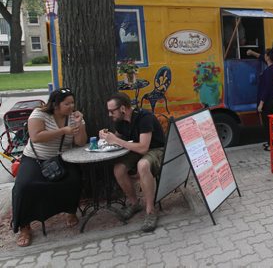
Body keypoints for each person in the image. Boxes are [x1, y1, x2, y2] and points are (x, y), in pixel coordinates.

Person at [11, 88, 87, 247]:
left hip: (61, 158)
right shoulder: (39, 114)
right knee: (24, 185)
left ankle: (70, 211)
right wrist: (63, 131)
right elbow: (36, 137)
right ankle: (24, 226)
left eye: (73, 102)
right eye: (67, 103)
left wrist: (80, 124)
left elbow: (80, 142)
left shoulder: (74, 117)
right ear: (56, 104)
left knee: (74, 179)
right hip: (35, 158)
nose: (71, 106)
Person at [99, 92, 165, 232]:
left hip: (156, 149)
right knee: (119, 169)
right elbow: (117, 139)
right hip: (136, 149)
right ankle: (135, 203)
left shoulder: (144, 118)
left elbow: (143, 148)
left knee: (143, 165)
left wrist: (116, 140)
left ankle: (150, 211)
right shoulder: (121, 122)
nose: (110, 115)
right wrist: (106, 137)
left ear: (122, 109)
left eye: (112, 111)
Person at [247, 46, 273, 151]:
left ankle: (272, 144)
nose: (264, 56)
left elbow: (267, 89)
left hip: (268, 100)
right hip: (271, 98)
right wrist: (252, 53)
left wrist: (261, 104)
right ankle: (270, 142)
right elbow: (261, 57)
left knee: (267, 123)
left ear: (268, 57)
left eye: (266, 54)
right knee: (268, 122)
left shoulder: (270, 71)